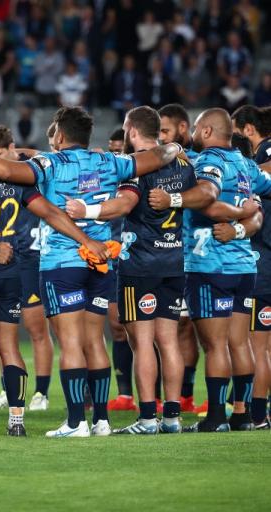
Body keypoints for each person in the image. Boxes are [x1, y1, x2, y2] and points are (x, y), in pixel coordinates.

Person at [0, 106, 185, 437]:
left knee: (69, 342)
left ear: (59, 134)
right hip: (100, 260)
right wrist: (175, 147)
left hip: (62, 262)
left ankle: (75, 423)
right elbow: (160, 155)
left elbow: (8, 170)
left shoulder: (50, 164)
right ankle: (100, 421)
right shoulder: (111, 162)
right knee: (94, 341)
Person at [0, 118, 116, 438]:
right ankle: (16, 421)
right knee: (10, 347)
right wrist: (85, 239)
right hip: (15, 271)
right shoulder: (17, 178)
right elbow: (50, 211)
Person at [67, 106, 196, 434]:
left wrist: (89, 209)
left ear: (132, 130)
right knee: (168, 341)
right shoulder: (181, 162)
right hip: (174, 259)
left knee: (142, 343)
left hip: (141, 263)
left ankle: (148, 418)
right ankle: (172, 417)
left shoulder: (138, 166)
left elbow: (124, 205)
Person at [148, 108, 271, 432]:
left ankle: (216, 418)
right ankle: (243, 415)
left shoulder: (208, 163)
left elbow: (207, 196)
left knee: (215, 346)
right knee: (240, 343)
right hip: (245, 267)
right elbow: (260, 200)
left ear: (204, 131)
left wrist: (173, 199)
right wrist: (244, 225)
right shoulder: (246, 165)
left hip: (209, 265)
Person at [0, 125, 54, 411]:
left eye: (2, 154)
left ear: (13, 147)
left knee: (37, 329)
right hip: (2, 259)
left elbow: (57, 159)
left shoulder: (33, 171)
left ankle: (41, 393)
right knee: (3, 331)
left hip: (32, 260)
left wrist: (29, 154)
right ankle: (8, 389)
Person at [158, 103, 201, 413]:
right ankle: (175, 397)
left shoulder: (197, 164)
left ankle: (191, 394)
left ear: (182, 130)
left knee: (201, 330)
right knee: (174, 329)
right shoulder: (156, 165)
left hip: (197, 257)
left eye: (165, 131)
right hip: (169, 258)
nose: (161, 138)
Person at [232, 105, 271, 429]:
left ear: (247, 130)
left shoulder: (262, 157)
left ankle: (255, 414)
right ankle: (257, 410)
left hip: (262, 260)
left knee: (256, 344)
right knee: (263, 344)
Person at [104, 128, 136, 413]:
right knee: (116, 327)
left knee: (143, 330)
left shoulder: (135, 175)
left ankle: (159, 396)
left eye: (119, 149)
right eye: (111, 148)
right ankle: (125, 395)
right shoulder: (102, 176)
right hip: (110, 258)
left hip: (138, 257)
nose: (115, 153)